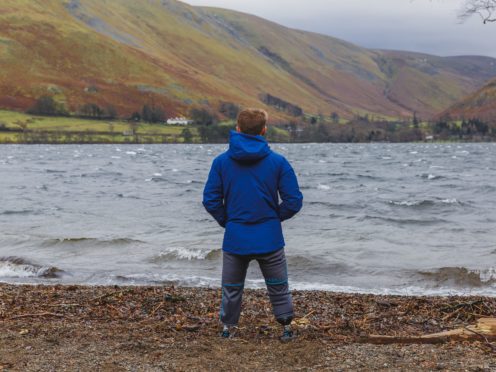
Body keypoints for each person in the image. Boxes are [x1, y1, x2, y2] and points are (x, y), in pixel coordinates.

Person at [202, 108, 303, 341]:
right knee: (278, 286)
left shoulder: (221, 162)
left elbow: (211, 200)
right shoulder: (278, 162)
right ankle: (286, 328)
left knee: (232, 287)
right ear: (264, 130)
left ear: (237, 128)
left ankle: (228, 328)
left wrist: (227, 220)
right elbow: (294, 201)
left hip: (236, 237)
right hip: (270, 237)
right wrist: (274, 218)